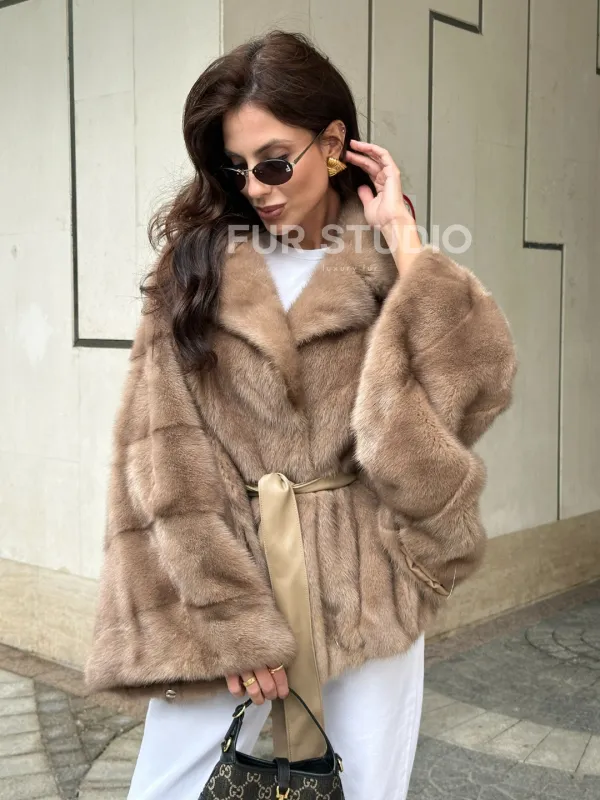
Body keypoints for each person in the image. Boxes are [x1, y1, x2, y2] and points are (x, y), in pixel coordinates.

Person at [84, 29, 517, 800]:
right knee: (167, 786)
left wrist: (405, 239)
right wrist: (233, 617)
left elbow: (469, 393)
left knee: (367, 786)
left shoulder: (385, 259)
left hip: (367, 580)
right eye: (237, 167)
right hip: (228, 573)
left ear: (334, 144)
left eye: (275, 162)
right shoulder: (195, 267)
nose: (256, 186)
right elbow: (163, 457)